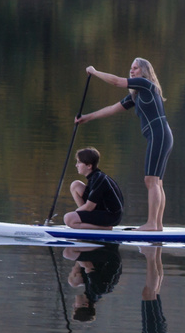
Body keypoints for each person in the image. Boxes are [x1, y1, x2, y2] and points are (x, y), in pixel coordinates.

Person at [74, 58, 173, 232]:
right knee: (157, 182)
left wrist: (95, 72)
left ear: (144, 71)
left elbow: (117, 82)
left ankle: (152, 224)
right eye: (131, 68)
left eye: (135, 68)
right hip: (161, 135)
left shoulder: (145, 84)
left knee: (151, 180)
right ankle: (157, 225)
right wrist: (87, 117)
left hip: (159, 135)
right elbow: (113, 108)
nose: (132, 71)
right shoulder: (136, 95)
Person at [64, 147, 124, 229]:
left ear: (89, 166)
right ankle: (83, 220)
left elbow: (89, 207)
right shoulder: (94, 177)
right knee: (75, 185)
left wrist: (74, 214)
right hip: (102, 210)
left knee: (68, 218)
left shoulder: (98, 179)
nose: (76, 165)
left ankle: (105, 227)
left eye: (79, 162)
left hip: (112, 216)